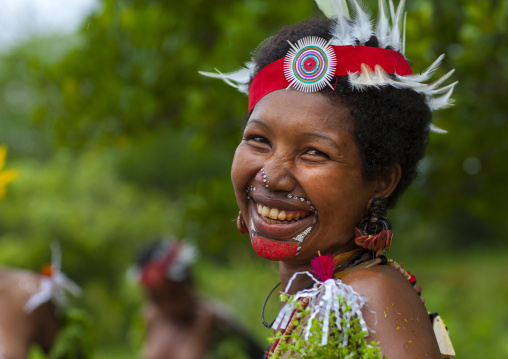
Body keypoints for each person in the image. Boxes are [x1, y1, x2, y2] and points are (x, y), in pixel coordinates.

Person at [200, 0, 456, 358]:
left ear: (381, 179)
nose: (271, 176)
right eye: (259, 140)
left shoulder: (370, 296)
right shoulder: (330, 297)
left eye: (313, 153)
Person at [135, 240, 265, 359]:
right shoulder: (152, 317)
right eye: (157, 299)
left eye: (173, 295)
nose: (168, 307)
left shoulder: (212, 319)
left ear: (189, 284)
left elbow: (263, 354)